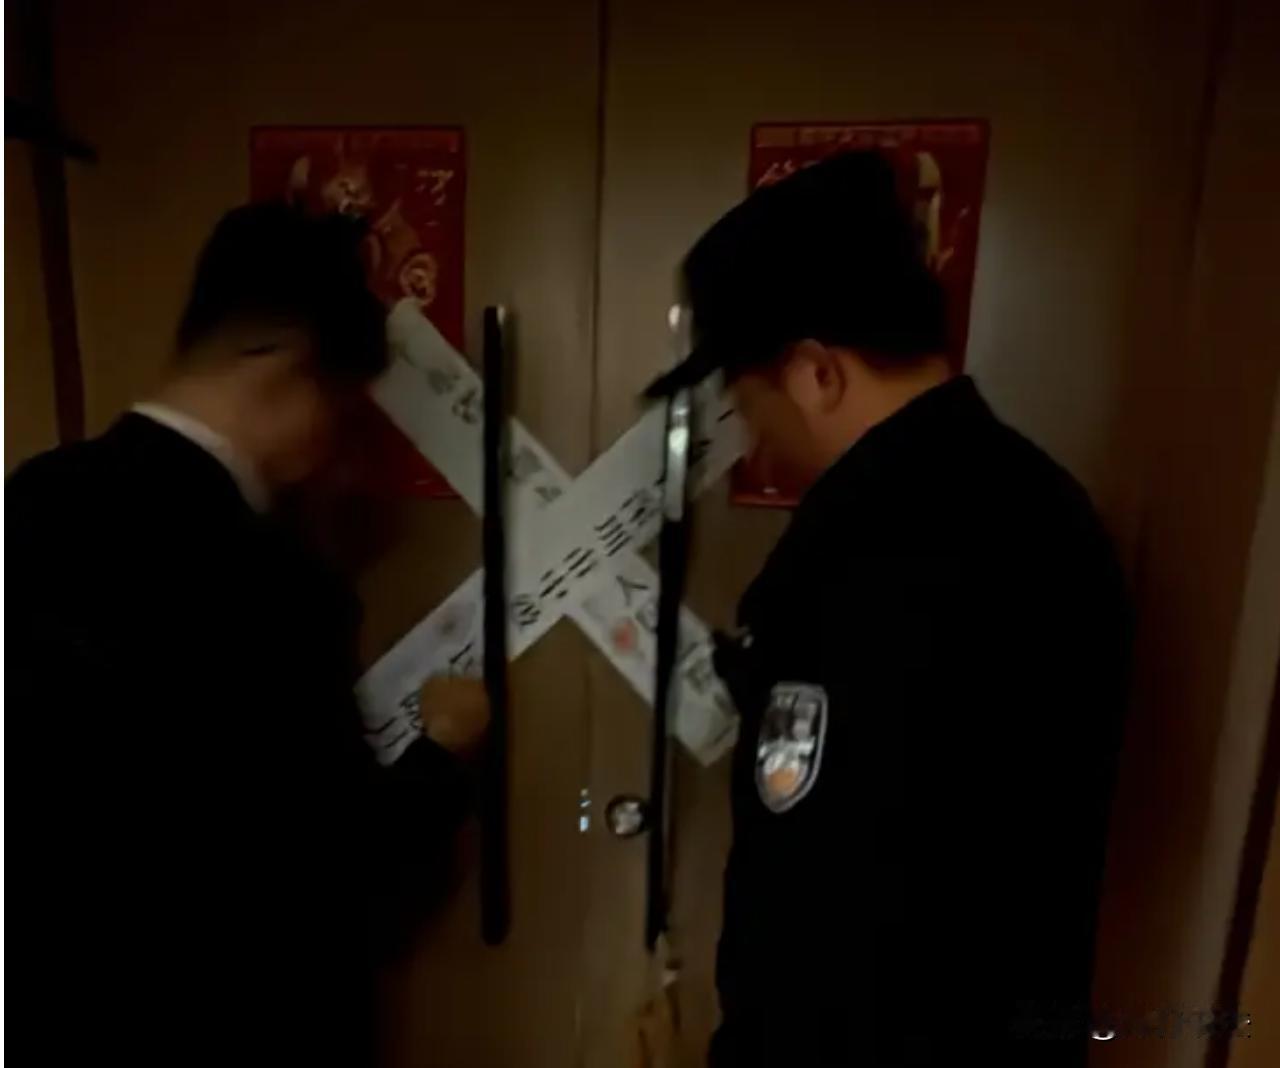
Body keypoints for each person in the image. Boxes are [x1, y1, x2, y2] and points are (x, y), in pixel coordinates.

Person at [646, 153, 1130, 1066]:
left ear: (815, 373)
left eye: (746, 401)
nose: (753, 438)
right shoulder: (1050, 512)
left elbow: (823, 912)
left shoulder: (860, 558)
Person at [7, 202, 487, 1066]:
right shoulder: (267, 580)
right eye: (342, 411)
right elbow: (343, 878)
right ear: (290, 370)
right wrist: (444, 750)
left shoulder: (27, 503)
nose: (338, 455)